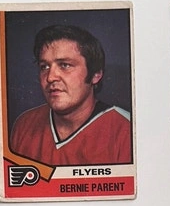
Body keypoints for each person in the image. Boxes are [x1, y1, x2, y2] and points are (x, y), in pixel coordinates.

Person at [10, 24, 132, 166]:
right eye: (44, 67)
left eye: (65, 65)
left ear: (95, 75)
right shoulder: (25, 124)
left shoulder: (125, 129)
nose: (50, 77)